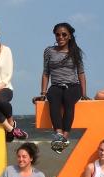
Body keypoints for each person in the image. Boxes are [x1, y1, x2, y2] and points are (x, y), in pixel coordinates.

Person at [36, 22, 87, 154]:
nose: (60, 37)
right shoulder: (49, 51)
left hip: (73, 86)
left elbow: (81, 73)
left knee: (68, 100)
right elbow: (46, 72)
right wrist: (43, 92)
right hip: (56, 85)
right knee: (53, 98)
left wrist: (84, 93)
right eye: (58, 34)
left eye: (64, 34)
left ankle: (65, 136)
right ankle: (58, 135)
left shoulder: (75, 51)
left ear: (69, 36)